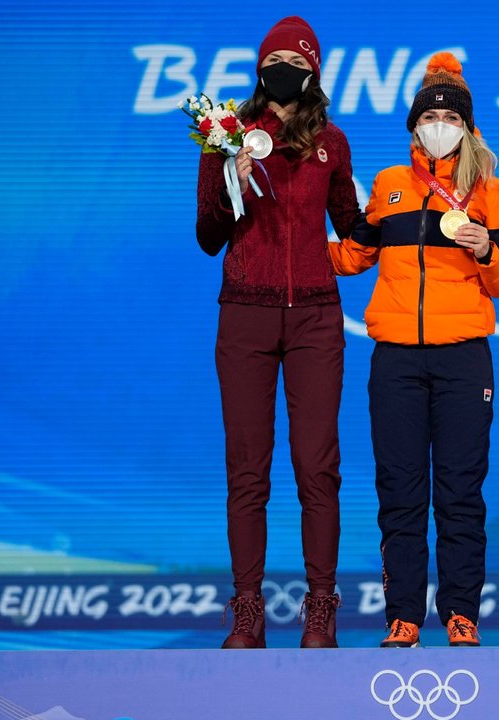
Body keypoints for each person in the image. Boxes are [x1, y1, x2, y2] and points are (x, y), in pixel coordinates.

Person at [329, 52, 499, 648]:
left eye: (449, 116)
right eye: (428, 115)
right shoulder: (388, 186)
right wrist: (287, 232)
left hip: (464, 355)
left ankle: (461, 614)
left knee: (461, 491)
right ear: (413, 125)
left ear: (467, 127)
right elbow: (352, 256)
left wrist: (486, 249)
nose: (438, 124)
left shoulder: (491, 190)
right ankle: (403, 615)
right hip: (397, 362)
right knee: (400, 490)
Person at [195, 16, 361, 649]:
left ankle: (321, 609)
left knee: (318, 468)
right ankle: (247, 611)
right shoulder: (225, 139)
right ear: (260, 69)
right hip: (245, 312)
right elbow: (209, 238)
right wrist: (230, 182)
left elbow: (351, 224)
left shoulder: (333, 144)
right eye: (275, 60)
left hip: (318, 316)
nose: (284, 70)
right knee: (248, 470)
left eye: (296, 61)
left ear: (312, 73)